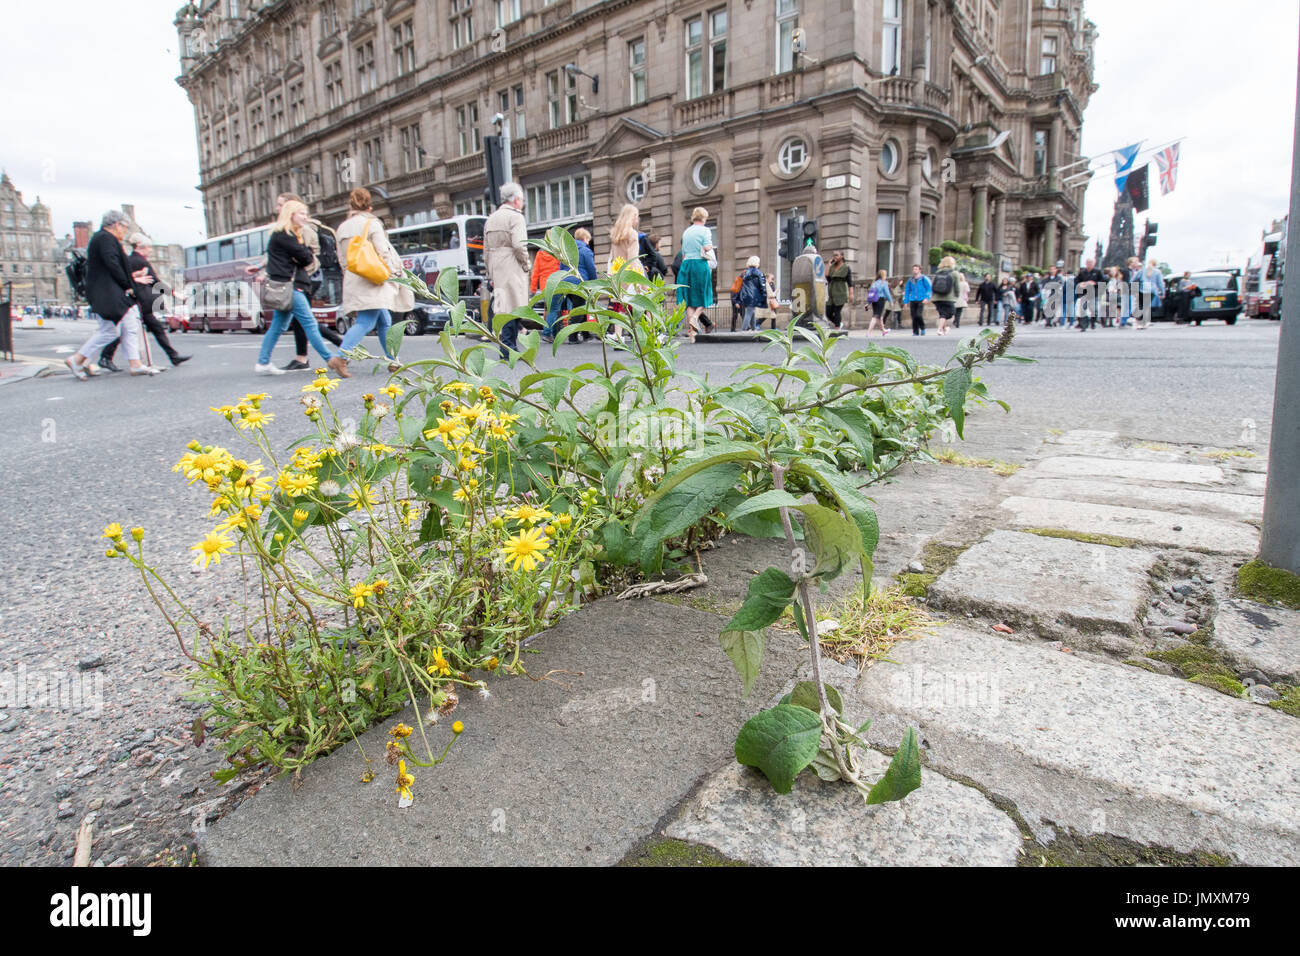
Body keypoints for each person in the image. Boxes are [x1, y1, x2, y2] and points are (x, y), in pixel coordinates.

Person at [245, 192, 343, 370]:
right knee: (304, 323)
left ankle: (276, 360)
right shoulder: (286, 233)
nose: (277, 208)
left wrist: (264, 267)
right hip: (291, 283)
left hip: (302, 280)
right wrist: (262, 266)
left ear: (290, 208)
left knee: (297, 323)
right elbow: (296, 256)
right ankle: (330, 357)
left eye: (280, 205)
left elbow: (309, 256)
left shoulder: (300, 229)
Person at [65, 210, 160, 379]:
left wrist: (131, 277)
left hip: (109, 291)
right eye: (124, 227)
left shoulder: (103, 239)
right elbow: (112, 264)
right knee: (110, 330)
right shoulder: (105, 239)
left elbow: (111, 267)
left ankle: (135, 363)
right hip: (108, 293)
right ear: (116, 224)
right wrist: (128, 285)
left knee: (130, 324)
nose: (125, 231)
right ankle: (78, 359)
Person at [332, 187, 411, 376]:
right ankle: (340, 357)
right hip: (373, 278)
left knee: (384, 320)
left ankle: (393, 360)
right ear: (369, 206)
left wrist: (350, 275)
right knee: (366, 322)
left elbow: (342, 258)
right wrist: (393, 273)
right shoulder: (371, 223)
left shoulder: (343, 227)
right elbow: (383, 251)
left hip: (354, 276)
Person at [101, 234, 191, 369]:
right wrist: (174, 293)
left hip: (138, 301)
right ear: (140, 247)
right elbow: (155, 282)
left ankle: (172, 356)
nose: (150, 250)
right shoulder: (139, 261)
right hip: (140, 302)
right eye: (149, 247)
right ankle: (106, 357)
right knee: (135, 329)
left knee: (147, 328)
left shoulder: (130, 260)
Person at [483, 183, 531, 358]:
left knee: (503, 307)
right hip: (512, 265)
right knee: (513, 306)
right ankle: (509, 348)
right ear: (516, 200)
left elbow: (486, 250)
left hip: (496, 266)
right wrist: (526, 264)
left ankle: (506, 345)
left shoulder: (491, 219)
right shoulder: (515, 217)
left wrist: (489, 273)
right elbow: (519, 245)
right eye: (522, 200)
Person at [606, 203, 648, 343]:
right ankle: (649, 334)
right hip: (631, 273)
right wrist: (639, 279)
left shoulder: (615, 234)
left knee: (620, 307)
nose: (637, 219)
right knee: (645, 303)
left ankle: (619, 336)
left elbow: (612, 257)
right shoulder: (632, 234)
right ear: (633, 217)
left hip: (618, 273)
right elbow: (633, 259)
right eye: (636, 216)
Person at [678, 207, 716, 342]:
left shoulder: (686, 232)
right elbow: (707, 247)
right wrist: (710, 247)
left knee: (689, 301)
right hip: (699, 264)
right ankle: (696, 317)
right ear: (704, 218)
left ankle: (692, 334)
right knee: (705, 294)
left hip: (686, 265)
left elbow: (683, 254)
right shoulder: (705, 230)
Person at [530, 245, 565, 342]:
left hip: (544, 286)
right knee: (554, 309)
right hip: (556, 283)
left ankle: (553, 333)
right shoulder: (558, 252)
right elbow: (562, 268)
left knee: (550, 309)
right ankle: (547, 333)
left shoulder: (540, 253)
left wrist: (533, 288)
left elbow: (535, 271)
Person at [736, 256, 767, 331]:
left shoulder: (745, 273)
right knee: (749, 312)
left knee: (751, 311)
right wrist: (764, 295)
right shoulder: (759, 273)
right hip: (754, 295)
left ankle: (754, 328)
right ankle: (744, 329)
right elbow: (762, 285)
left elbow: (741, 285)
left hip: (746, 295)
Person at [930, 257, 959, 335]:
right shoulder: (954, 273)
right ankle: (939, 329)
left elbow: (933, 285)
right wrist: (957, 295)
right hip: (948, 298)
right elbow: (957, 286)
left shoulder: (938, 272)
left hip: (937, 298)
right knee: (950, 313)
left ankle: (944, 329)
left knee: (942, 313)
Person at [1074, 258, 1104, 331]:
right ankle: (1083, 325)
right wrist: (1081, 284)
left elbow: (1103, 281)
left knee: (1093, 309)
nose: (1089, 264)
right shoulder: (1082, 272)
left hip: (1093, 293)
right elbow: (1077, 280)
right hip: (1084, 293)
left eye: (1091, 263)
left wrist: (1094, 283)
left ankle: (1093, 322)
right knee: (1082, 309)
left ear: (1094, 264)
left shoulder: (1098, 272)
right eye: (1088, 263)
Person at [825, 250, 852, 329]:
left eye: (836, 255)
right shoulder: (832, 266)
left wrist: (851, 294)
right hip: (832, 293)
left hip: (841, 292)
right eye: (834, 255)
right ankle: (839, 323)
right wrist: (829, 265)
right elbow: (827, 277)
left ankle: (837, 328)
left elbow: (850, 282)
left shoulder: (846, 267)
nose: (835, 257)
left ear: (842, 256)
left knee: (837, 311)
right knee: (828, 312)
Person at [903, 264, 932, 336]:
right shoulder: (910, 280)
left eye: (916, 269)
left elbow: (929, 289)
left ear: (920, 270)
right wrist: (906, 301)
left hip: (921, 299)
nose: (914, 270)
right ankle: (915, 331)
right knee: (913, 316)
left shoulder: (923, 279)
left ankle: (922, 327)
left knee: (918, 315)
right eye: (914, 269)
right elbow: (907, 290)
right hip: (913, 299)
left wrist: (927, 297)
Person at [866, 269, 891, 337]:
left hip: (874, 300)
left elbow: (871, 293)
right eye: (885, 275)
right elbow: (887, 293)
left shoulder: (874, 283)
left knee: (879, 316)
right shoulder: (884, 283)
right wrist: (891, 301)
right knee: (875, 316)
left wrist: (868, 303)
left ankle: (883, 330)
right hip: (880, 300)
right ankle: (868, 332)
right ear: (883, 275)